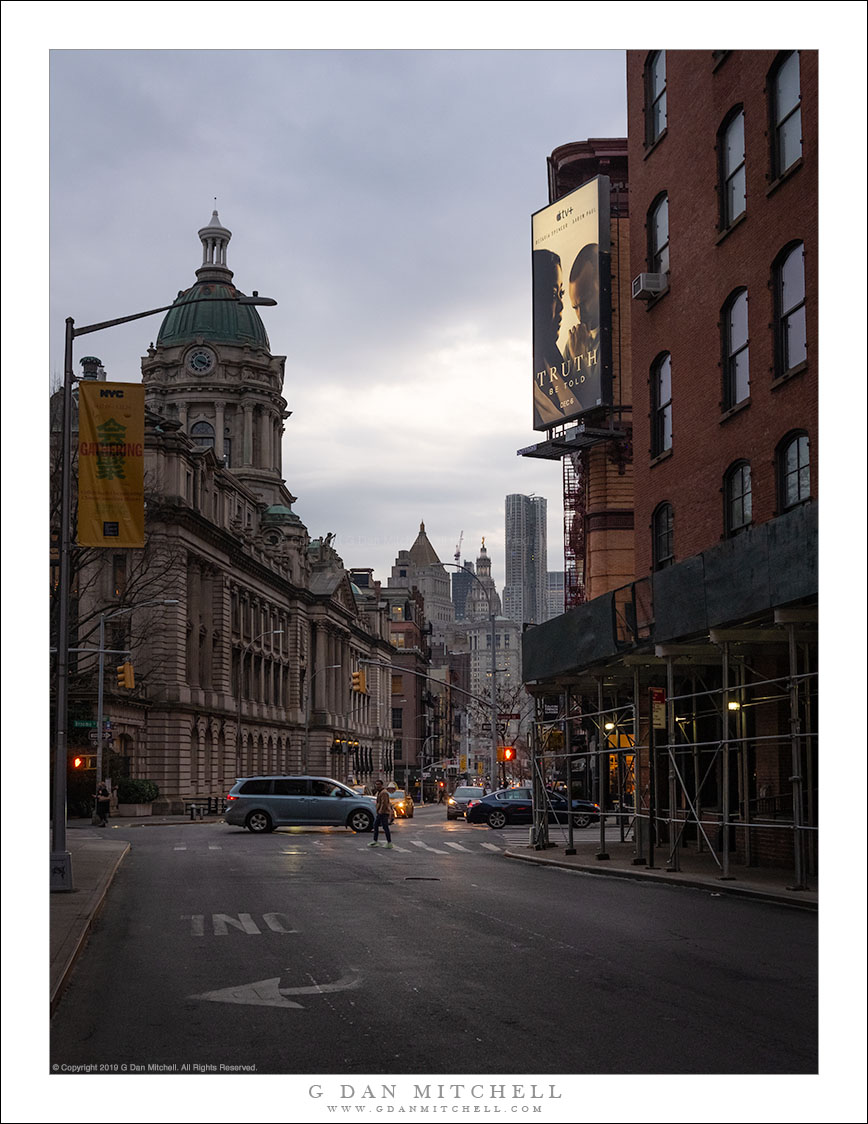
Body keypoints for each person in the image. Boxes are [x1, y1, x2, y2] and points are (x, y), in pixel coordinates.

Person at [368, 780, 393, 848]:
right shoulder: (380, 792)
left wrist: (380, 811)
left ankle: (388, 842)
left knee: (384, 827)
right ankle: (376, 841)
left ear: (382, 785)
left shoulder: (383, 793)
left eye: (379, 784)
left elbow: (384, 803)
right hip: (381, 812)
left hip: (383, 813)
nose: (377, 786)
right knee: (376, 826)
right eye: (376, 784)